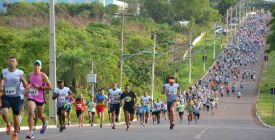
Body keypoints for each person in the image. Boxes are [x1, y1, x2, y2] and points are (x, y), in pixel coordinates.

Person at [0, 57, 28, 140]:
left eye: (13, 61)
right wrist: (1, 85)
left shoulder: (20, 72)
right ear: (8, 62)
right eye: (10, 61)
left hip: (16, 97)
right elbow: (0, 84)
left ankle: (15, 133)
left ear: (16, 63)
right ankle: (8, 124)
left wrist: (22, 80)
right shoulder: (3, 72)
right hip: (6, 96)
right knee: (4, 111)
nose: (11, 62)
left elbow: (26, 85)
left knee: (16, 116)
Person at [26, 60, 52, 139]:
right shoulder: (30, 75)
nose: (36, 66)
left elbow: (50, 86)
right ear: (33, 66)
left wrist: (40, 87)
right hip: (31, 96)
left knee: (40, 115)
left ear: (40, 67)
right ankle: (30, 132)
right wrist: (27, 89)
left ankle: (45, 122)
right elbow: (28, 84)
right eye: (35, 65)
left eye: (38, 65)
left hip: (40, 97)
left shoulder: (43, 76)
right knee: (31, 112)